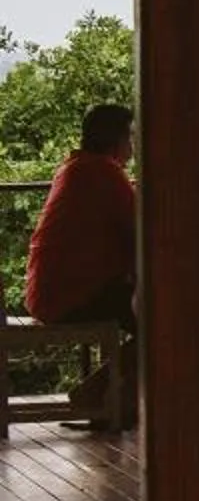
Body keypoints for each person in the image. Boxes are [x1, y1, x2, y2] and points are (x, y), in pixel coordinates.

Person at [22, 103, 136, 427]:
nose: (133, 144)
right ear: (115, 139)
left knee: (154, 315)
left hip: (51, 291)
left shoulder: (77, 167)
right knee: (165, 322)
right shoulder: (103, 172)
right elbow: (140, 228)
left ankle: (108, 399)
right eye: (130, 136)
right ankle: (101, 396)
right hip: (71, 295)